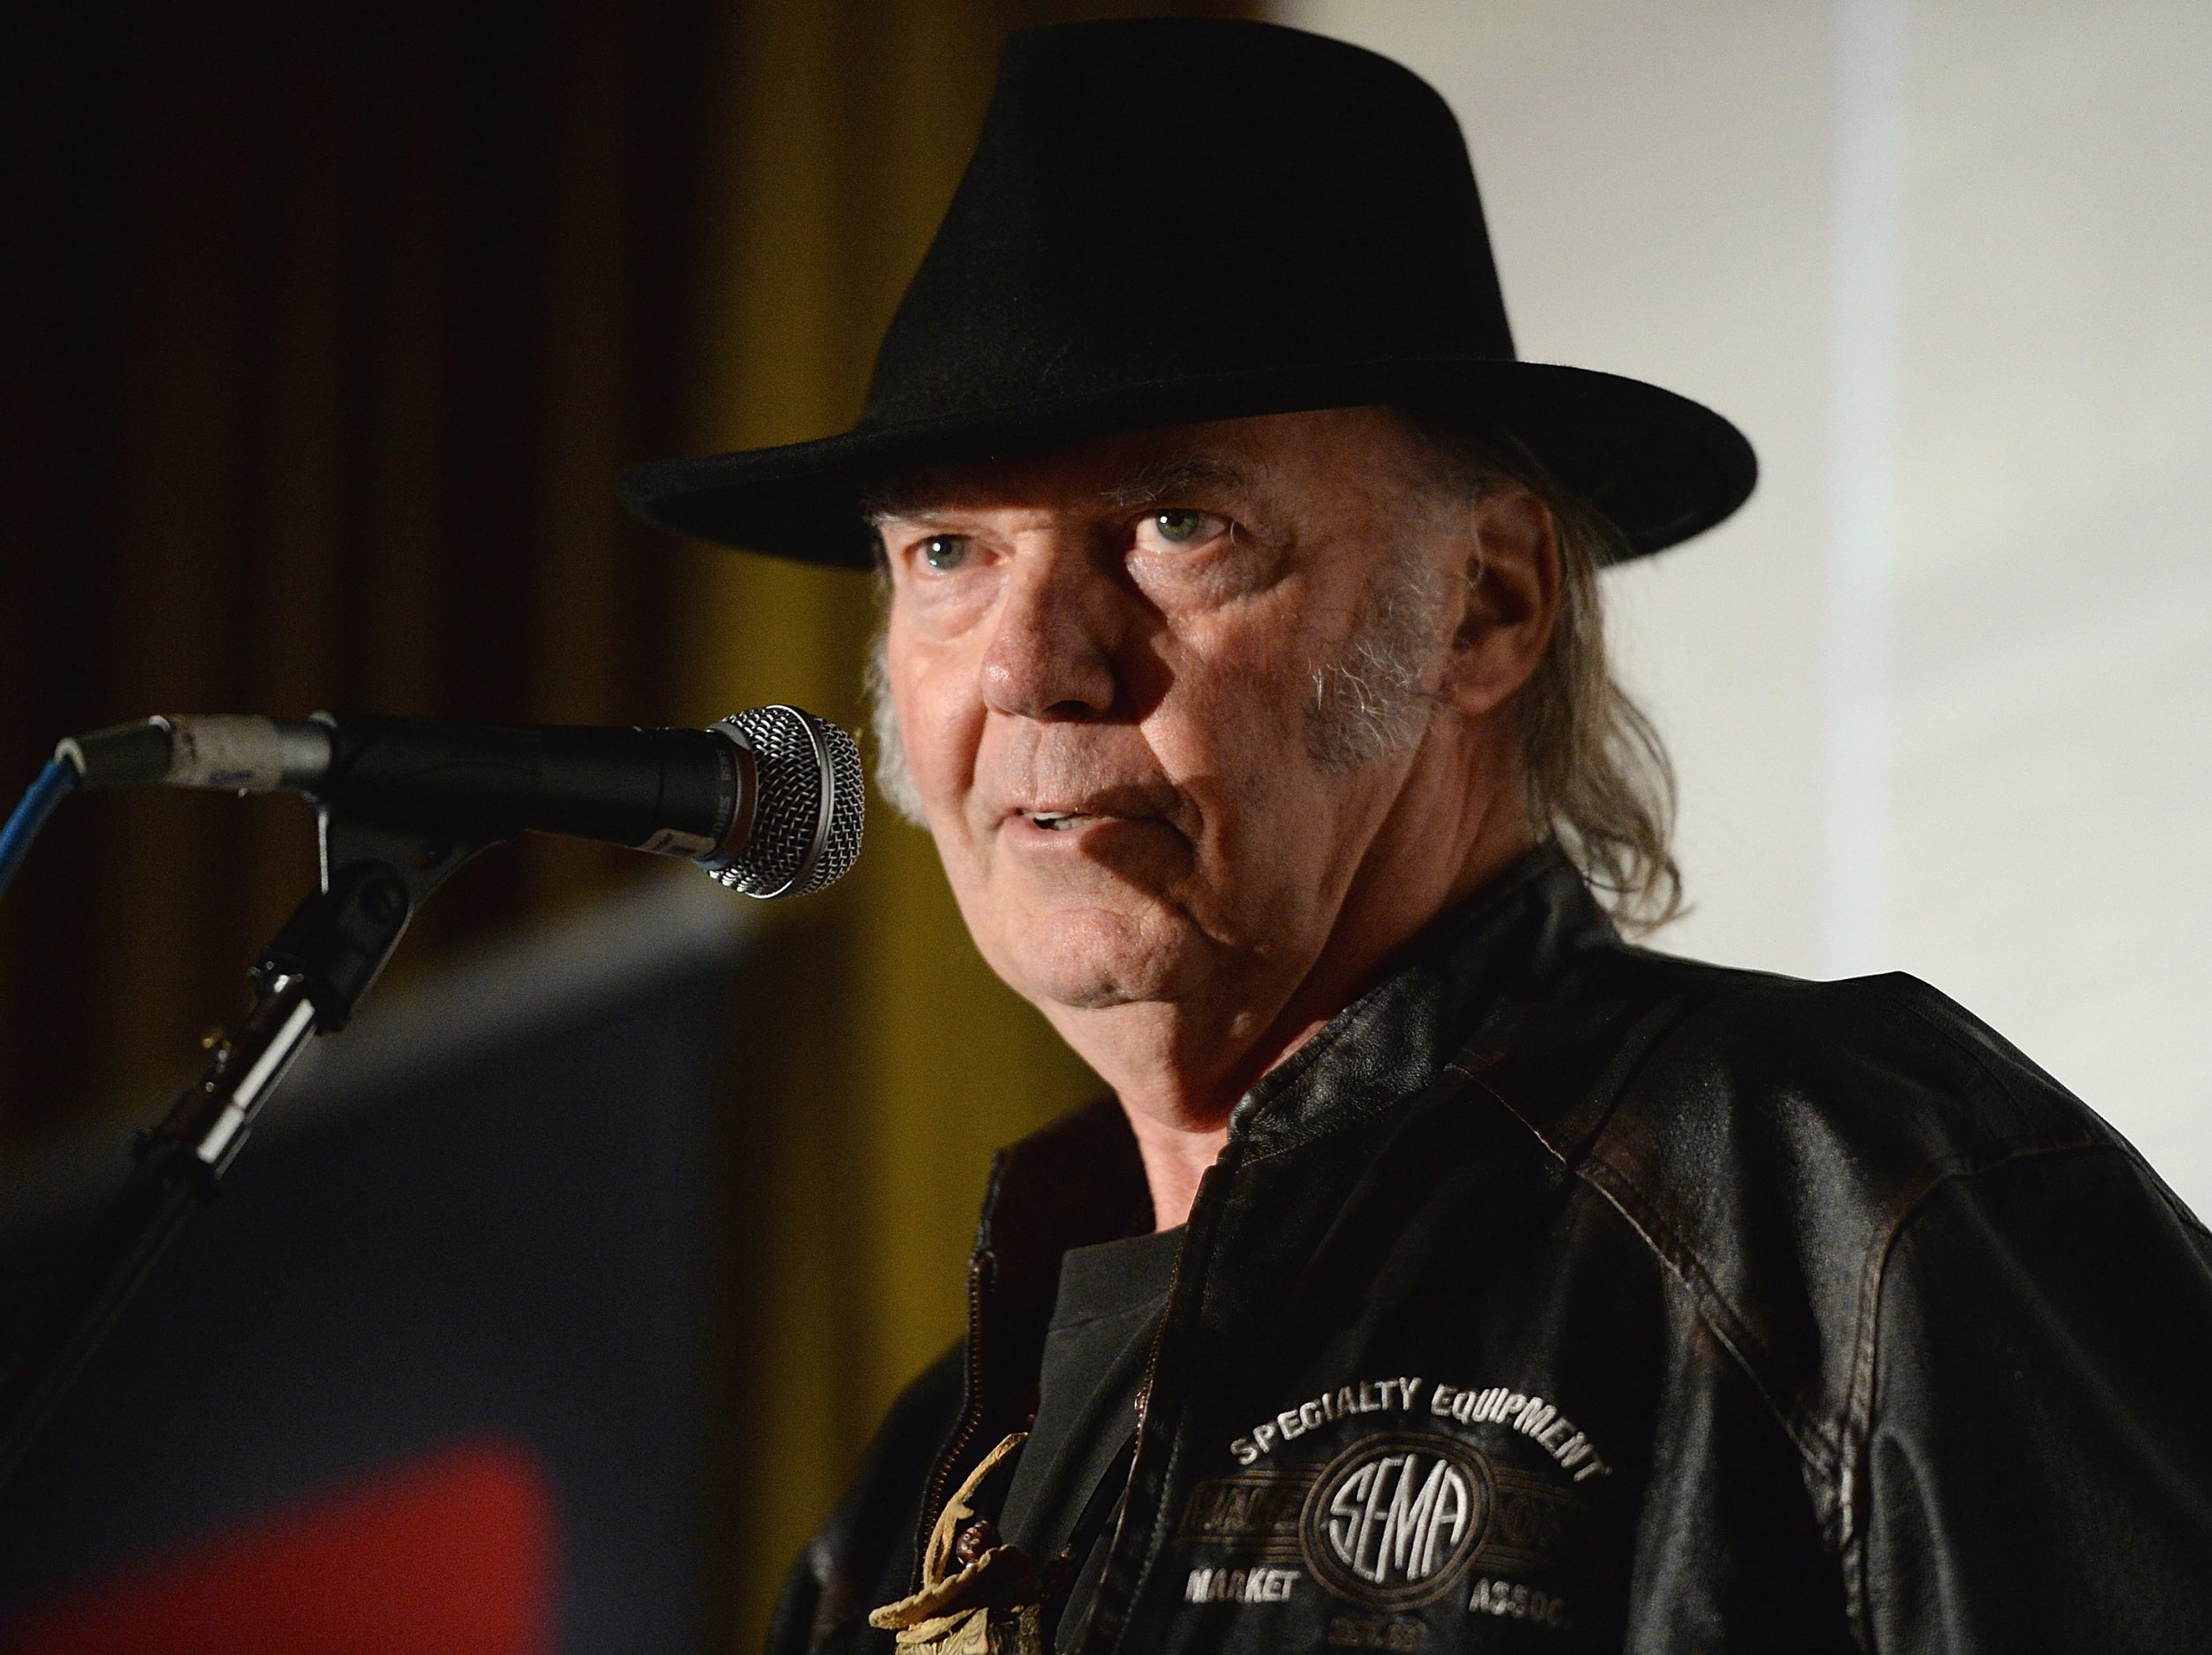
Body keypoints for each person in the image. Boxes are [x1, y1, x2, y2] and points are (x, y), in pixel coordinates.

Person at [622, 18, 2212, 1654]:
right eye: (948, 553)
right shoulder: (918, 1491)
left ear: (1489, 602)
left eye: (1177, 524)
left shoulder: (1842, 1197)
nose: (1032, 665)